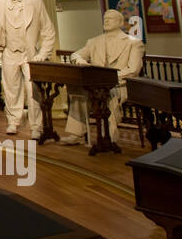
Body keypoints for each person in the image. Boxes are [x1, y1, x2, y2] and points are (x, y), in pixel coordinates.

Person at [0, 0, 55, 137]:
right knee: (11, 89)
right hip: (9, 52)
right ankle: (13, 121)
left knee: (33, 89)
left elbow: (48, 30)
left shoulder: (35, 3)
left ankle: (36, 125)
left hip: (30, 54)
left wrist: (43, 53)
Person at [61, 10, 145, 145]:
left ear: (119, 22)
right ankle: (76, 133)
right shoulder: (94, 41)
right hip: (95, 84)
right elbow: (76, 54)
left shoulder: (133, 43)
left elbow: (133, 70)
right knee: (78, 92)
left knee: (106, 94)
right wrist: (79, 60)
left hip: (119, 84)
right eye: (105, 18)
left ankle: (109, 136)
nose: (106, 21)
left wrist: (108, 78)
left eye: (110, 18)